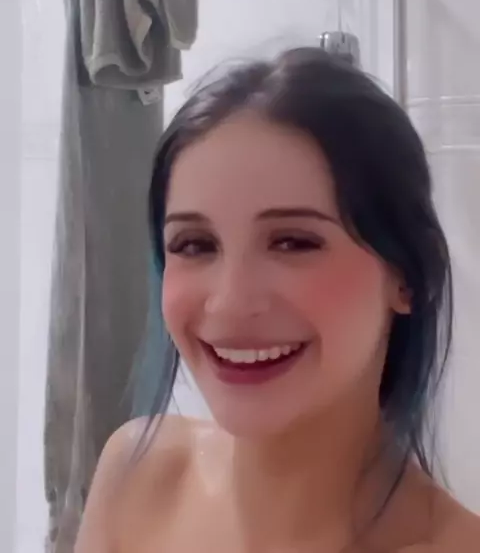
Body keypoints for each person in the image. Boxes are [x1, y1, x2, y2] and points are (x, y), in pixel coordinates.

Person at [74, 48, 480, 552]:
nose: (229, 304)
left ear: (407, 278)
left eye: (293, 242)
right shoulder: (139, 477)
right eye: (195, 245)